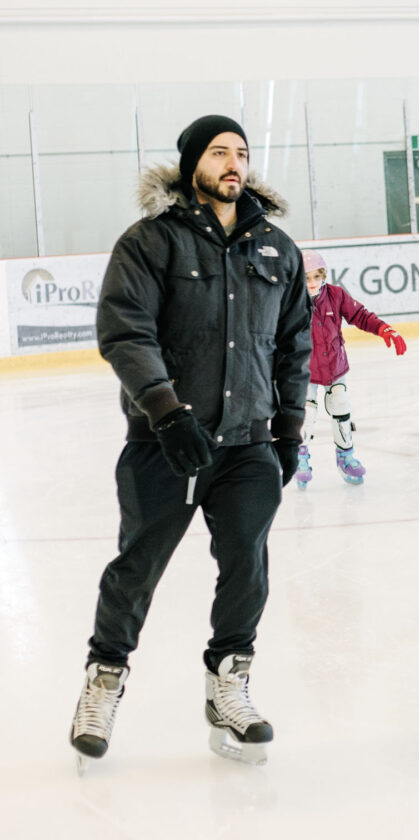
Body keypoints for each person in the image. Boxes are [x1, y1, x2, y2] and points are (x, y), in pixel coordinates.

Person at [69, 114, 312, 770]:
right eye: (217, 152)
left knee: (247, 566)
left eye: (241, 152)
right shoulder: (152, 243)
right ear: (189, 164)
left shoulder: (276, 250)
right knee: (137, 568)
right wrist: (166, 413)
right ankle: (104, 679)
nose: (233, 163)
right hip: (168, 443)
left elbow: (294, 346)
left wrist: (289, 430)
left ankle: (229, 685)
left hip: (248, 446)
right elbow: (126, 331)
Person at [295, 250, 407, 488]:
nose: (312, 283)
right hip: (304, 367)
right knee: (307, 410)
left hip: (335, 365)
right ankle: (300, 455)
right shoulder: (291, 300)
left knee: (341, 404)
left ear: (323, 275)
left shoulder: (335, 295)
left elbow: (360, 315)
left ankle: (345, 455)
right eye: (306, 278)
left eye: (316, 277)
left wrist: (385, 329)